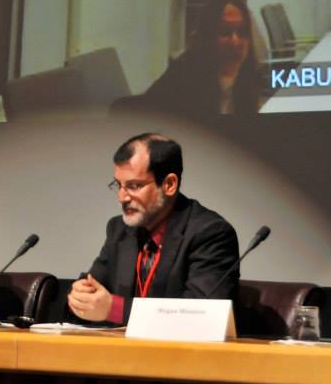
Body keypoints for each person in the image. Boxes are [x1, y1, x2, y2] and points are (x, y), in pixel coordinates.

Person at [68, 133, 239, 325]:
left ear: (169, 184)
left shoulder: (210, 233)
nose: (122, 197)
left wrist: (114, 309)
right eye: (119, 185)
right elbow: (94, 286)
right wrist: (80, 296)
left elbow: (201, 315)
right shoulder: (119, 229)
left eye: (134, 186)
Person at [114, 0, 263, 116]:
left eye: (242, 32)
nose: (235, 41)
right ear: (208, 37)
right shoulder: (183, 79)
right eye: (224, 32)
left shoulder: (249, 78)